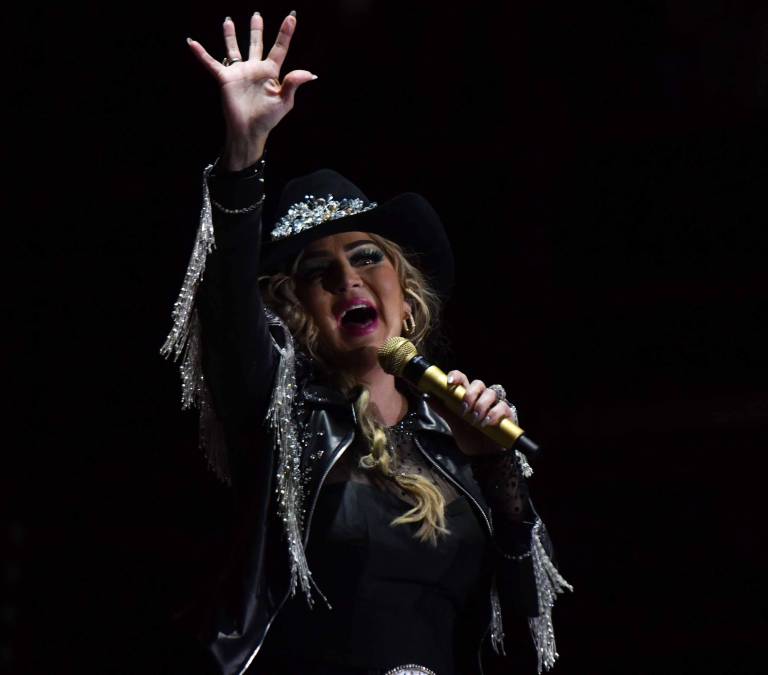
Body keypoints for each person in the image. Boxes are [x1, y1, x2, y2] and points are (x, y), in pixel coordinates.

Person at [162, 11, 570, 675]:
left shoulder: (456, 438)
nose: (347, 278)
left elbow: (527, 631)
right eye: (318, 272)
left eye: (366, 257)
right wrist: (242, 155)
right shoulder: (284, 421)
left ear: (407, 300)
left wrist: (498, 470)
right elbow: (228, 315)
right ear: (297, 311)